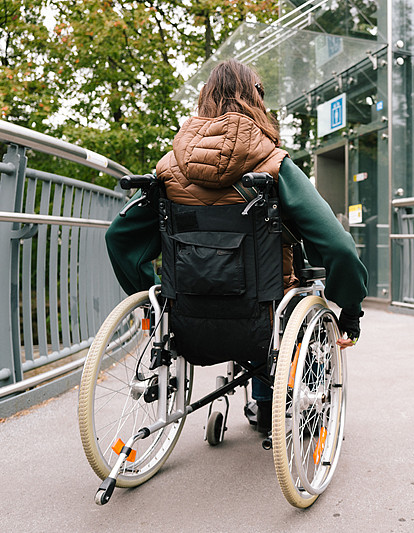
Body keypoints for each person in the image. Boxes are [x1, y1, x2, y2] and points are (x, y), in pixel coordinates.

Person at [105, 59, 368, 434]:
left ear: (205, 100)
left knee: (264, 300)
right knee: (292, 294)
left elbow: (119, 238)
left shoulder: (168, 167)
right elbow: (338, 247)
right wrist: (352, 309)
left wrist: (153, 298)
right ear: (256, 102)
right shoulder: (274, 164)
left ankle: (259, 402)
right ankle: (276, 404)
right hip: (262, 319)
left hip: (187, 316)